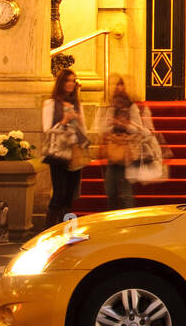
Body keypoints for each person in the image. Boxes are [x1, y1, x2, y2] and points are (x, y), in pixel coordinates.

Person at [94, 73, 148, 211]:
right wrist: (112, 125)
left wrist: (123, 125)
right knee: (110, 189)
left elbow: (139, 130)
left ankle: (127, 220)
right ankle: (113, 217)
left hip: (127, 152)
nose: (119, 87)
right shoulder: (110, 107)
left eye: (122, 84)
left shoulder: (132, 107)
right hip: (112, 151)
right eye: (117, 84)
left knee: (126, 192)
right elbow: (102, 128)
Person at [43, 68, 88, 227]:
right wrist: (64, 121)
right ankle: (48, 229)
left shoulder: (76, 103)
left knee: (69, 196)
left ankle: (67, 229)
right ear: (61, 83)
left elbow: (83, 131)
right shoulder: (51, 103)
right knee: (59, 193)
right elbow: (47, 130)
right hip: (58, 154)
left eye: (73, 81)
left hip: (73, 152)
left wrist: (80, 122)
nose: (70, 84)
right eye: (68, 81)